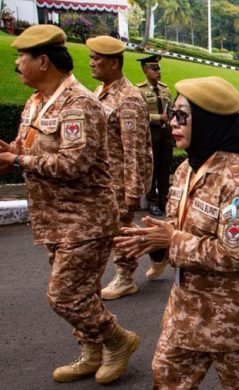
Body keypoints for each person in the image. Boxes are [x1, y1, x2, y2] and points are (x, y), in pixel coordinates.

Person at [115, 76, 239, 390]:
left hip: (234, 315)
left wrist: (171, 240)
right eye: (173, 114)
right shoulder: (186, 169)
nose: (172, 122)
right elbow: (178, 226)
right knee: (168, 381)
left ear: (207, 121)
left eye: (181, 116)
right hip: (187, 306)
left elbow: (234, 254)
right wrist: (153, 240)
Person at [0, 24, 139, 384]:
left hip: (85, 219)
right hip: (54, 219)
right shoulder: (36, 101)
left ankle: (118, 340)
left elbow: (73, 164)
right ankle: (92, 353)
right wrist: (12, 152)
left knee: (64, 296)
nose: (17, 64)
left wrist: (18, 161)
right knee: (84, 292)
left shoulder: (79, 104)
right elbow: (30, 148)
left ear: (43, 61)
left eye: (22, 57)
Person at [86, 35, 153, 301]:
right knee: (110, 227)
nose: (91, 63)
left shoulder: (129, 99)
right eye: (90, 58)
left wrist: (133, 190)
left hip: (120, 179)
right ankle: (160, 250)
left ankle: (125, 277)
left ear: (113, 63)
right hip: (102, 177)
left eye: (97, 59)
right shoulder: (100, 91)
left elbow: (134, 148)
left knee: (120, 228)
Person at [137, 54, 174, 219]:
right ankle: (152, 201)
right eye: (154, 68)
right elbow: (141, 115)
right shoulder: (140, 91)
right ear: (145, 70)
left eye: (159, 68)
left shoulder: (165, 89)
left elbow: (170, 108)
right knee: (152, 168)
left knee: (165, 168)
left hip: (166, 133)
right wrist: (160, 118)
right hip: (152, 132)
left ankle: (164, 200)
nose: (158, 71)